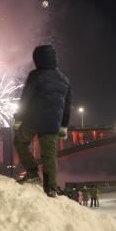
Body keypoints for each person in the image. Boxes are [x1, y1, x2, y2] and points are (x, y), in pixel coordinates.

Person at [13, 44, 72, 198]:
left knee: (20, 142)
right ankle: (51, 188)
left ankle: (32, 173)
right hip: (53, 123)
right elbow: (67, 106)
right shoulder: (64, 79)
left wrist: (19, 118)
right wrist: (64, 126)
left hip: (33, 119)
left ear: (37, 59)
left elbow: (25, 98)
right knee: (50, 156)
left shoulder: (35, 75)